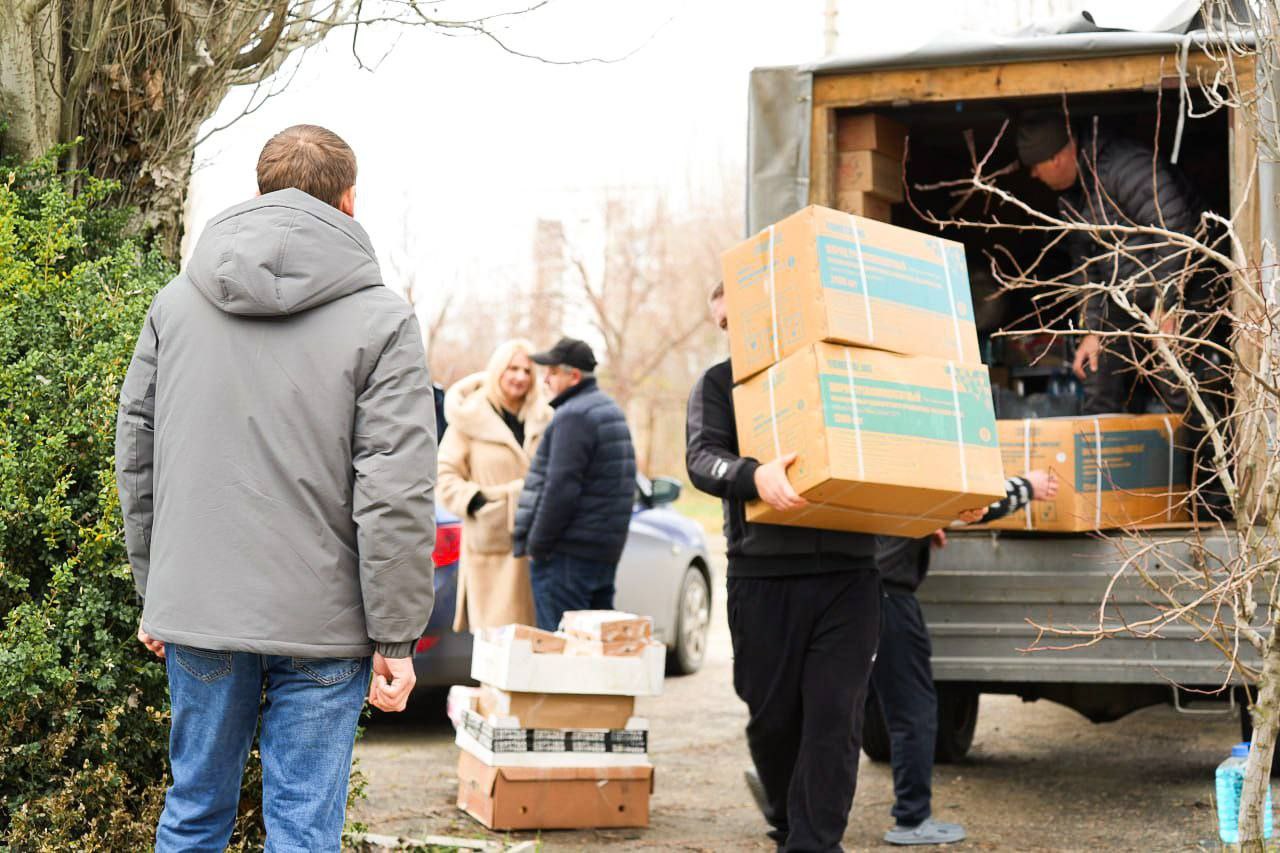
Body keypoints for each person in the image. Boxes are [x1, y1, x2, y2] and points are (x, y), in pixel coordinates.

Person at [115, 124, 437, 852]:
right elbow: (396, 486)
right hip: (325, 620)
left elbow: (138, 452)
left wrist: (155, 588)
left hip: (198, 601)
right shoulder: (384, 320)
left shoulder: (177, 305)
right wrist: (395, 633)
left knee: (195, 808)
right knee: (302, 827)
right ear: (349, 200)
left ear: (260, 191)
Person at [687, 282, 883, 852]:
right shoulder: (719, 385)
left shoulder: (840, 375)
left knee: (834, 718)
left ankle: (813, 844)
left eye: (734, 322)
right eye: (720, 325)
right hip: (763, 580)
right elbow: (702, 458)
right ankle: (786, 820)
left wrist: (951, 497)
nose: (729, 334)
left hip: (849, 577)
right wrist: (753, 476)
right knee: (772, 722)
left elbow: (900, 446)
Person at [872, 471, 1058, 847]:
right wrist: (1029, 487)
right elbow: (970, 500)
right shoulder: (911, 451)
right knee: (914, 710)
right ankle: (912, 819)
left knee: (834, 703)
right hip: (887, 596)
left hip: (848, 587)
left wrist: (919, 533)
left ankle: (789, 796)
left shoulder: (868, 456)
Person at [1016, 109, 1215, 416]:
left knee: (1175, 376)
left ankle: (1200, 462)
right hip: (1130, 298)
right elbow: (1087, 271)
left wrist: (1168, 305)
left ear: (1054, 159)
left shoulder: (1125, 167)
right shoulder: (1071, 200)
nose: (1033, 175)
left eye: (1035, 167)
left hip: (1186, 288)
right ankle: (1106, 460)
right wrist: (1094, 331)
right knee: (1097, 367)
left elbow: (1175, 231)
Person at [512, 337, 636, 631]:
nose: (545, 379)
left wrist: (537, 545)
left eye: (552, 372)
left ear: (574, 375)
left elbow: (561, 490)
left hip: (566, 559)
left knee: (563, 657)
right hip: (601, 555)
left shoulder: (574, 415)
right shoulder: (609, 410)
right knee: (593, 654)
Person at [438, 340, 553, 631]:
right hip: (491, 546)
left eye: (527, 370)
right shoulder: (470, 418)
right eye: (512, 368)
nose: (520, 377)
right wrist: (478, 502)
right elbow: (444, 475)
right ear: (498, 370)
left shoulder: (545, 417)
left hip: (537, 543)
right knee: (499, 647)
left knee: (536, 644)